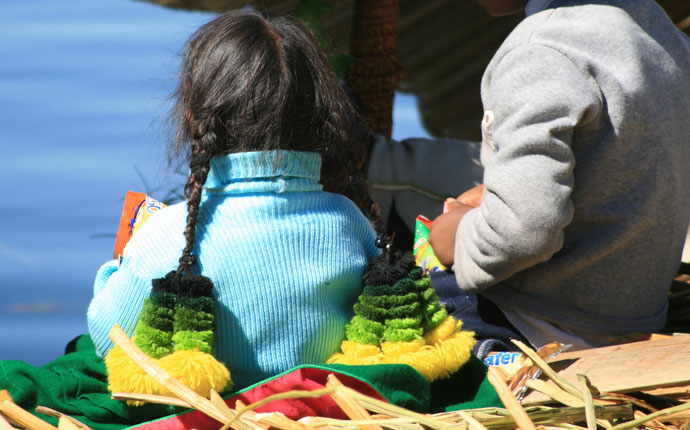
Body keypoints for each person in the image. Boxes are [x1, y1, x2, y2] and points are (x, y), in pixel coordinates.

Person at [87, 10, 380, 390]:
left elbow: (108, 337)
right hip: (315, 409)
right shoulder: (348, 220)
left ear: (195, 121)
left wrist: (118, 266)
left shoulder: (166, 236)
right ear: (319, 118)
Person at [429, 0, 690, 351]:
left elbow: (522, 232)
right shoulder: (666, 40)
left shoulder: (541, 51)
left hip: (533, 321)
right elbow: (618, 169)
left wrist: (455, 234)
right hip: (634, 319)